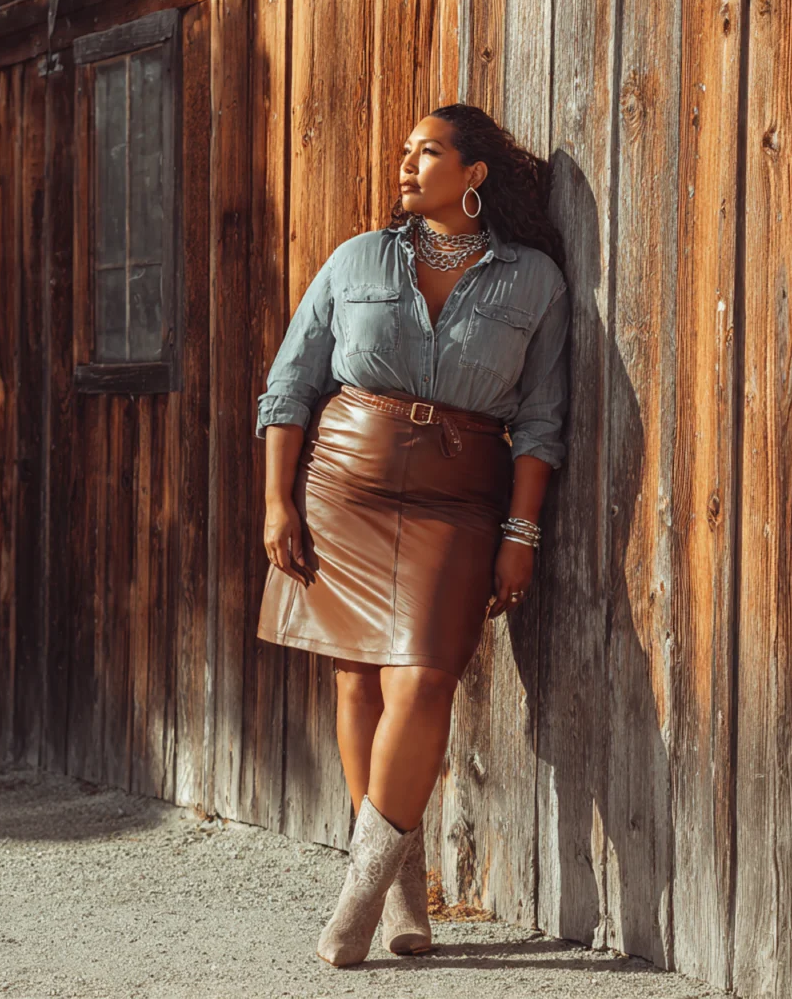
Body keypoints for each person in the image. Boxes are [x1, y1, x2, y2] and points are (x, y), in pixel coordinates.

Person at [254, 102, 571, 967]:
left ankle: (356, 899)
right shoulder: (357, 258)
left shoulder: (535, 281)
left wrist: (521, 533)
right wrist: (278, 503)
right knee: (356, 679)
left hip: (460, 498)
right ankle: (399, 889)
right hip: (343, 483)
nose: (406, 165)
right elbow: (290, 385)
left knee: (427, 677)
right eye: (404, 151)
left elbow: (542, 423)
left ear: (474, 175)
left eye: (427, 152)